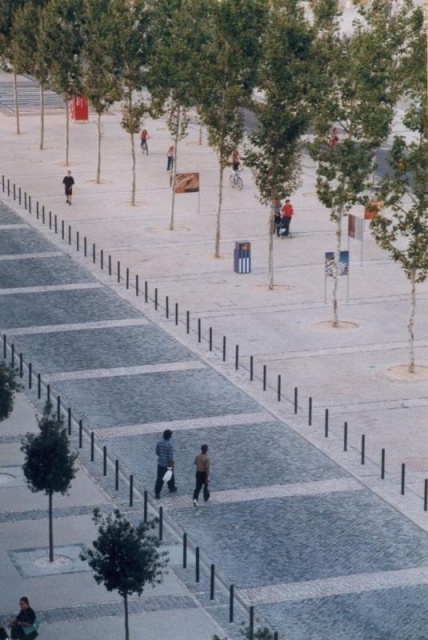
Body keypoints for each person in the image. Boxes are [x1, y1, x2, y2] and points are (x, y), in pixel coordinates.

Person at [154, 429, 177, 499]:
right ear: (169, 436)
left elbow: (157, 452)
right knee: (170, 475)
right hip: (167, 464)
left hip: (160, 464)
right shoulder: (169, 445)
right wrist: (171, 465)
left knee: (159, 479)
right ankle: (171, 487)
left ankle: (157, 492)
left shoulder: (159, 443)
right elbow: (170, 457)